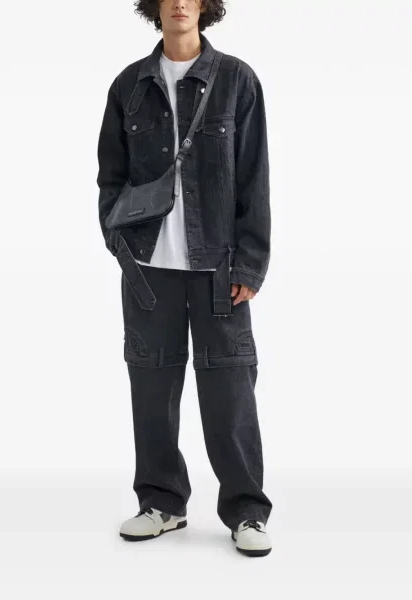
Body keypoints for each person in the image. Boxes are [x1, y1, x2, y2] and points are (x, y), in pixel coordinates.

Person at [96, 0, 272, 557]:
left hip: (220, 269)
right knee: (151, 390)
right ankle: (162, 502)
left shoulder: (237, 80)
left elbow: (254, 177)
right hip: (148, 271)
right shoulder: (128, 85)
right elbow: (110, 177)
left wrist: (250, 263)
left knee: (230, 392)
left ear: (205, 6)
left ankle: (246, 510)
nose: (179, 2)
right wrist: (119, 244)